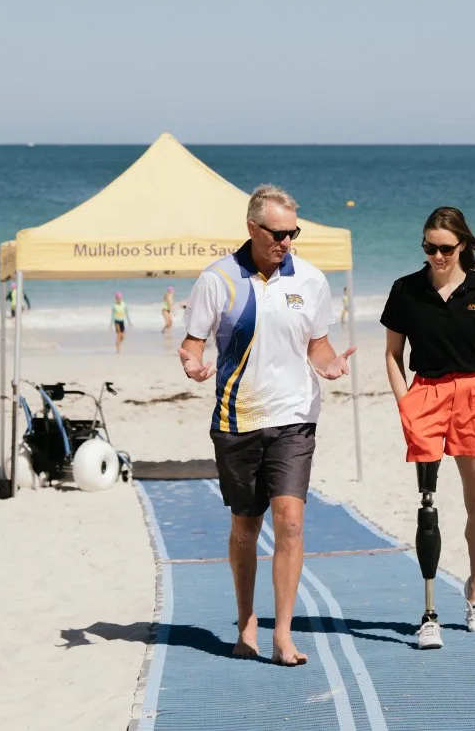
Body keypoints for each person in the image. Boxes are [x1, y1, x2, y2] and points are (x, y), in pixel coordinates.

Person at [178, 184, 354, 666]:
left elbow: (317, 344)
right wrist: (192, 364)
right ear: (252, 228)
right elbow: (193, 343)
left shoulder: (311, 280)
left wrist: (330, 364)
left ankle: (283, 635)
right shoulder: (218, 279)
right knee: (245, 526)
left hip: (295, 416)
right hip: (237, 418)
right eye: (277, 233)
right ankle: (246, 621)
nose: (286, 241)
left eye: (293, 232)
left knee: (290, 520)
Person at [381, 206, 475, 650]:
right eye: (429, 247)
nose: (437, 256)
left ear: (462, 245)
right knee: (428, 502)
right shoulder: (405, 290)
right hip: (426, 393)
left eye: (445, 248)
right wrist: (405, 403)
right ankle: (428, 613)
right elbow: (392, 355)